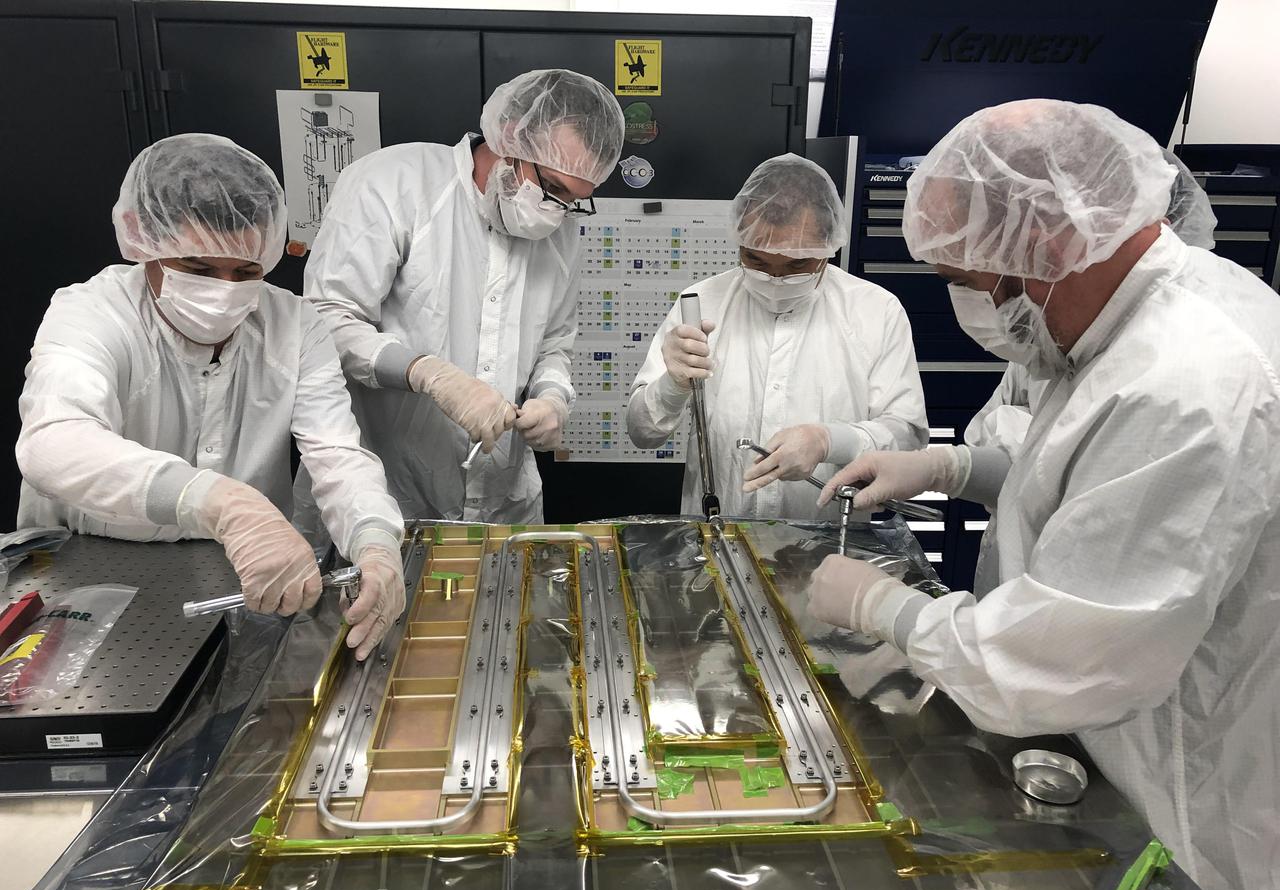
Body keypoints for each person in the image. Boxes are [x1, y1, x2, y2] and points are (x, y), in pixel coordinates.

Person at [807, 100, 1280, 890]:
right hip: (1123, 737)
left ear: (1051, 245)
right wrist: (954, 468)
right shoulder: (1130, 320)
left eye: (966, 279)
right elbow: (1084, 483)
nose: (967, 306)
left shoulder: (1187, 380)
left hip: (1190, 784)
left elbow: (1065, 655)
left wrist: (886, 608)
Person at [15, 134, 405, 661]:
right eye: (198, 270)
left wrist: (375, 540)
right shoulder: (92, 312)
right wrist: (221, 503)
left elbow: (336, 453)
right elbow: (54, 442)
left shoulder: (294, 325)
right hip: (88, 565)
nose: (224, 291)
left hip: (232, 570)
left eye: (245, 272)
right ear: (143, 241)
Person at [299, 69, 624, 526]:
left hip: (504, 503)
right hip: (384, 497)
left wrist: (551, 397)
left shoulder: (560, 235)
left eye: (573, 200)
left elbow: (555, 345)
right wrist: (425, 373)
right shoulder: (397, 184)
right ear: (511, 134)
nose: (555, 211)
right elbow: (325, 321)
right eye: (551, 187)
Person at [626, 154, 928, 520]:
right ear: (740, 239)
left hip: (831, 540)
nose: (776, 279)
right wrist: (671, 386)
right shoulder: (701, 303)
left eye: (798, 263)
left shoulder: (876, 311)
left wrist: (829, 441)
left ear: (828, 246)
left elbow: (907, 437)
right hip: (720, 535)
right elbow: (643, 433)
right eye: (757, 260)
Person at [965, 148, 1218, 455]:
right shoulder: (1058, 323)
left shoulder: (1180, 369)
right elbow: (993, 422)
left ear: (1161, 230)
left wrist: (1012, 445)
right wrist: (958, 465)